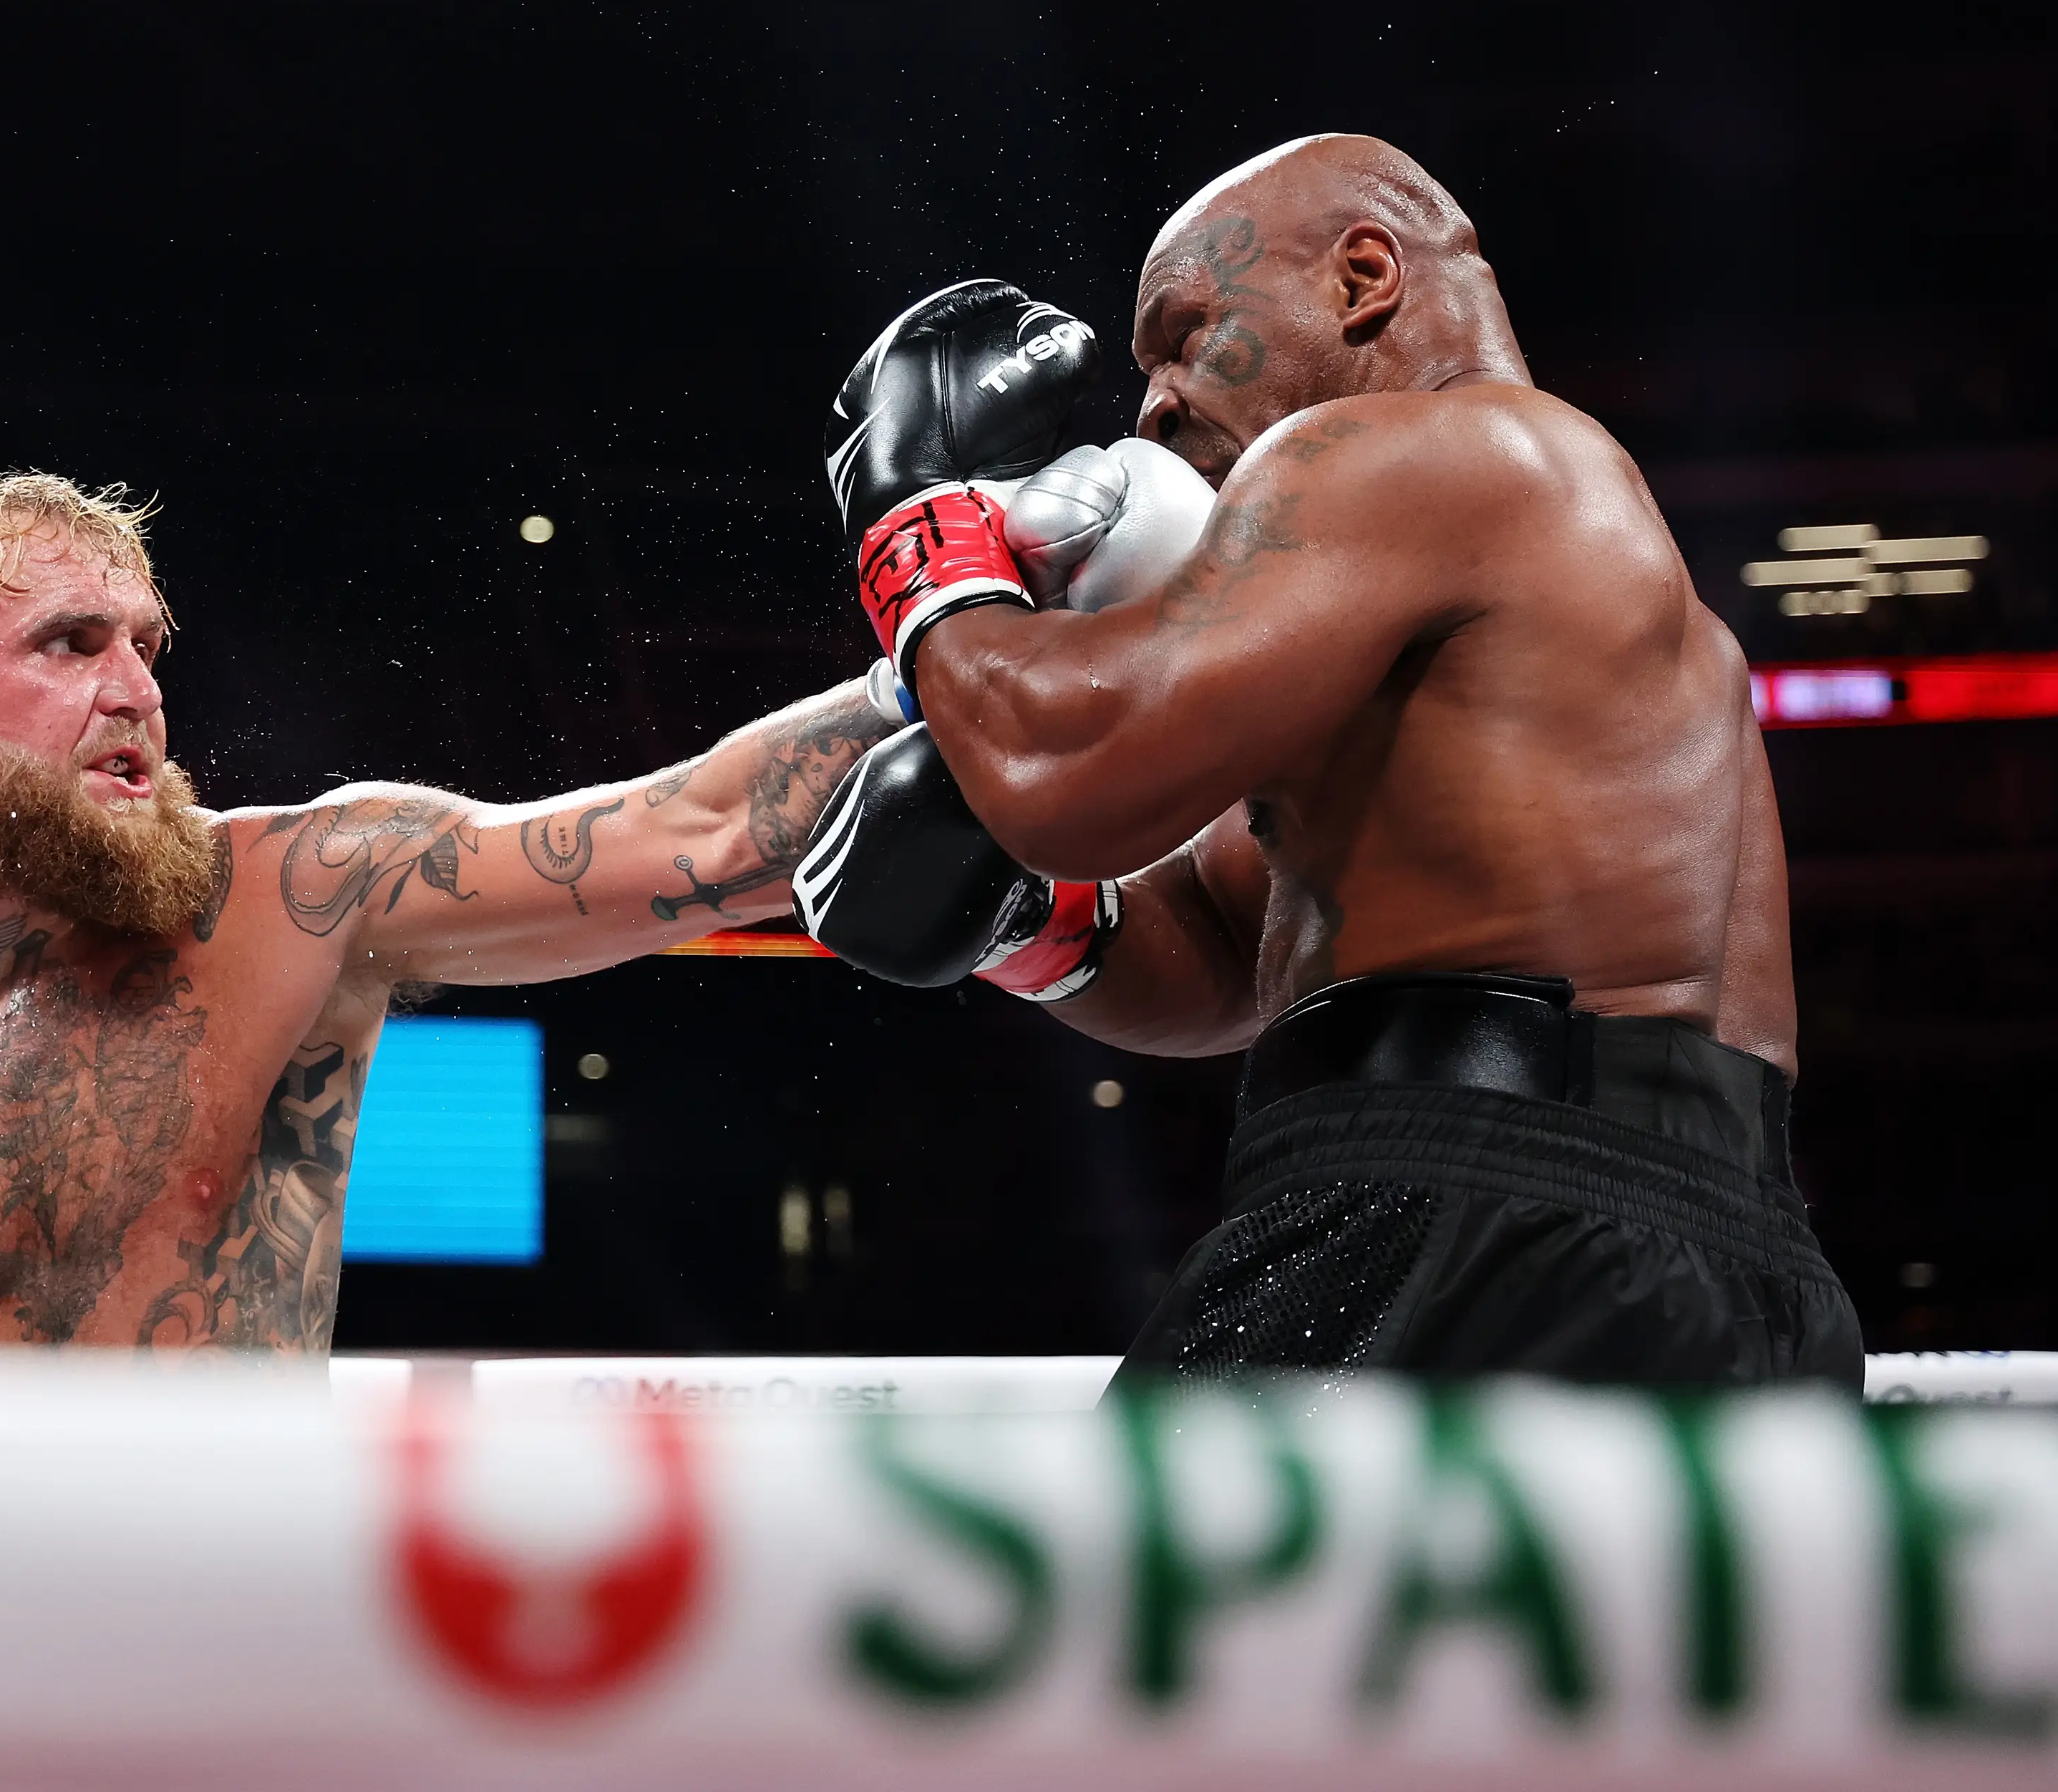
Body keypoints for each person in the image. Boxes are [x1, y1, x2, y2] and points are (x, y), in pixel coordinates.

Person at [797, 136, 1863, 1386]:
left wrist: (913, 511)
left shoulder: (1403, 450)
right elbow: (1225, 954)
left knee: (1115, 1581)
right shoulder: (1570, 582)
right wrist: (1023, 924)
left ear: (1363, 276)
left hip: (1465, 1218)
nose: (1153, 406)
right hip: (1730, 1275)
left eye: (1186, 334)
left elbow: (1062, 775)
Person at [0, 470, 936, 1359]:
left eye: (145, 644)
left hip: (235, 1690)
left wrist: (951, 649)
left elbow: (685, 826)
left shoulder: (292, 899)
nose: (136, 691)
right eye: (70, 643)